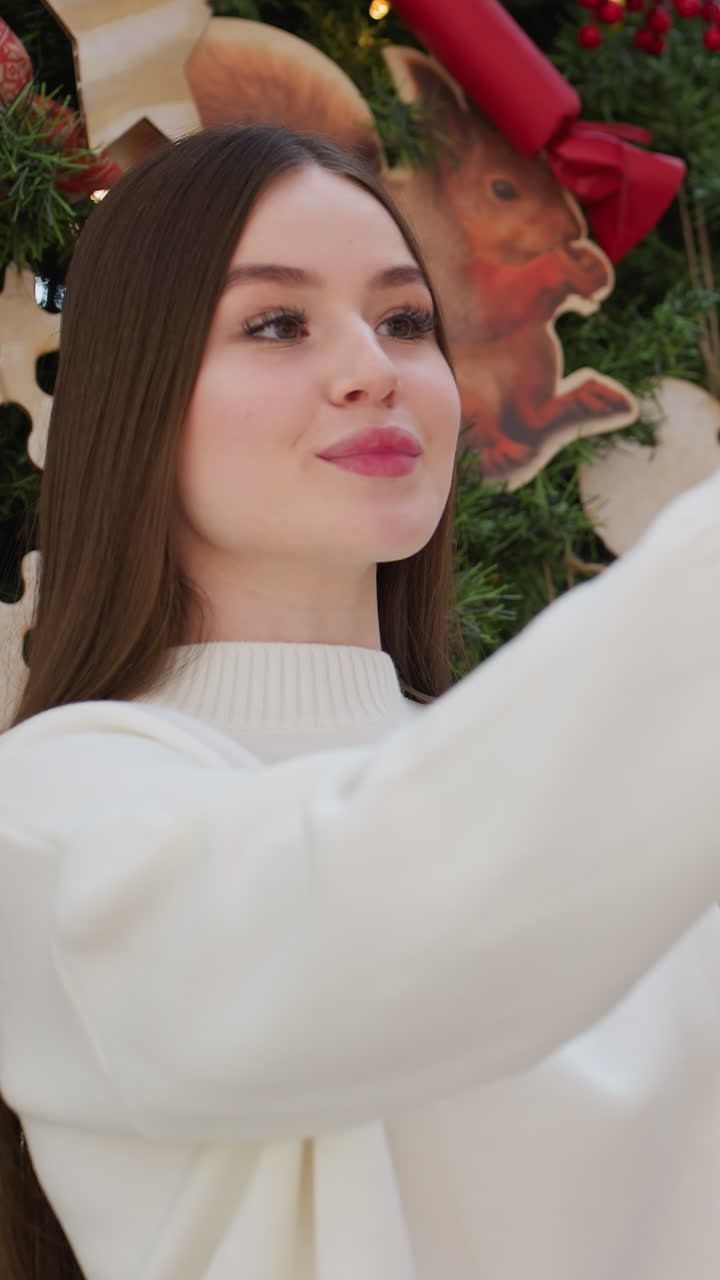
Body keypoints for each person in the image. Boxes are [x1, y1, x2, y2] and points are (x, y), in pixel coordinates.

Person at [0, 123, 719, 1280]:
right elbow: (363, 927)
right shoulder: (52, 808)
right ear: (138, 391)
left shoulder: (569, 787)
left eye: (405, 321)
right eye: (277, 323)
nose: (373, 369)